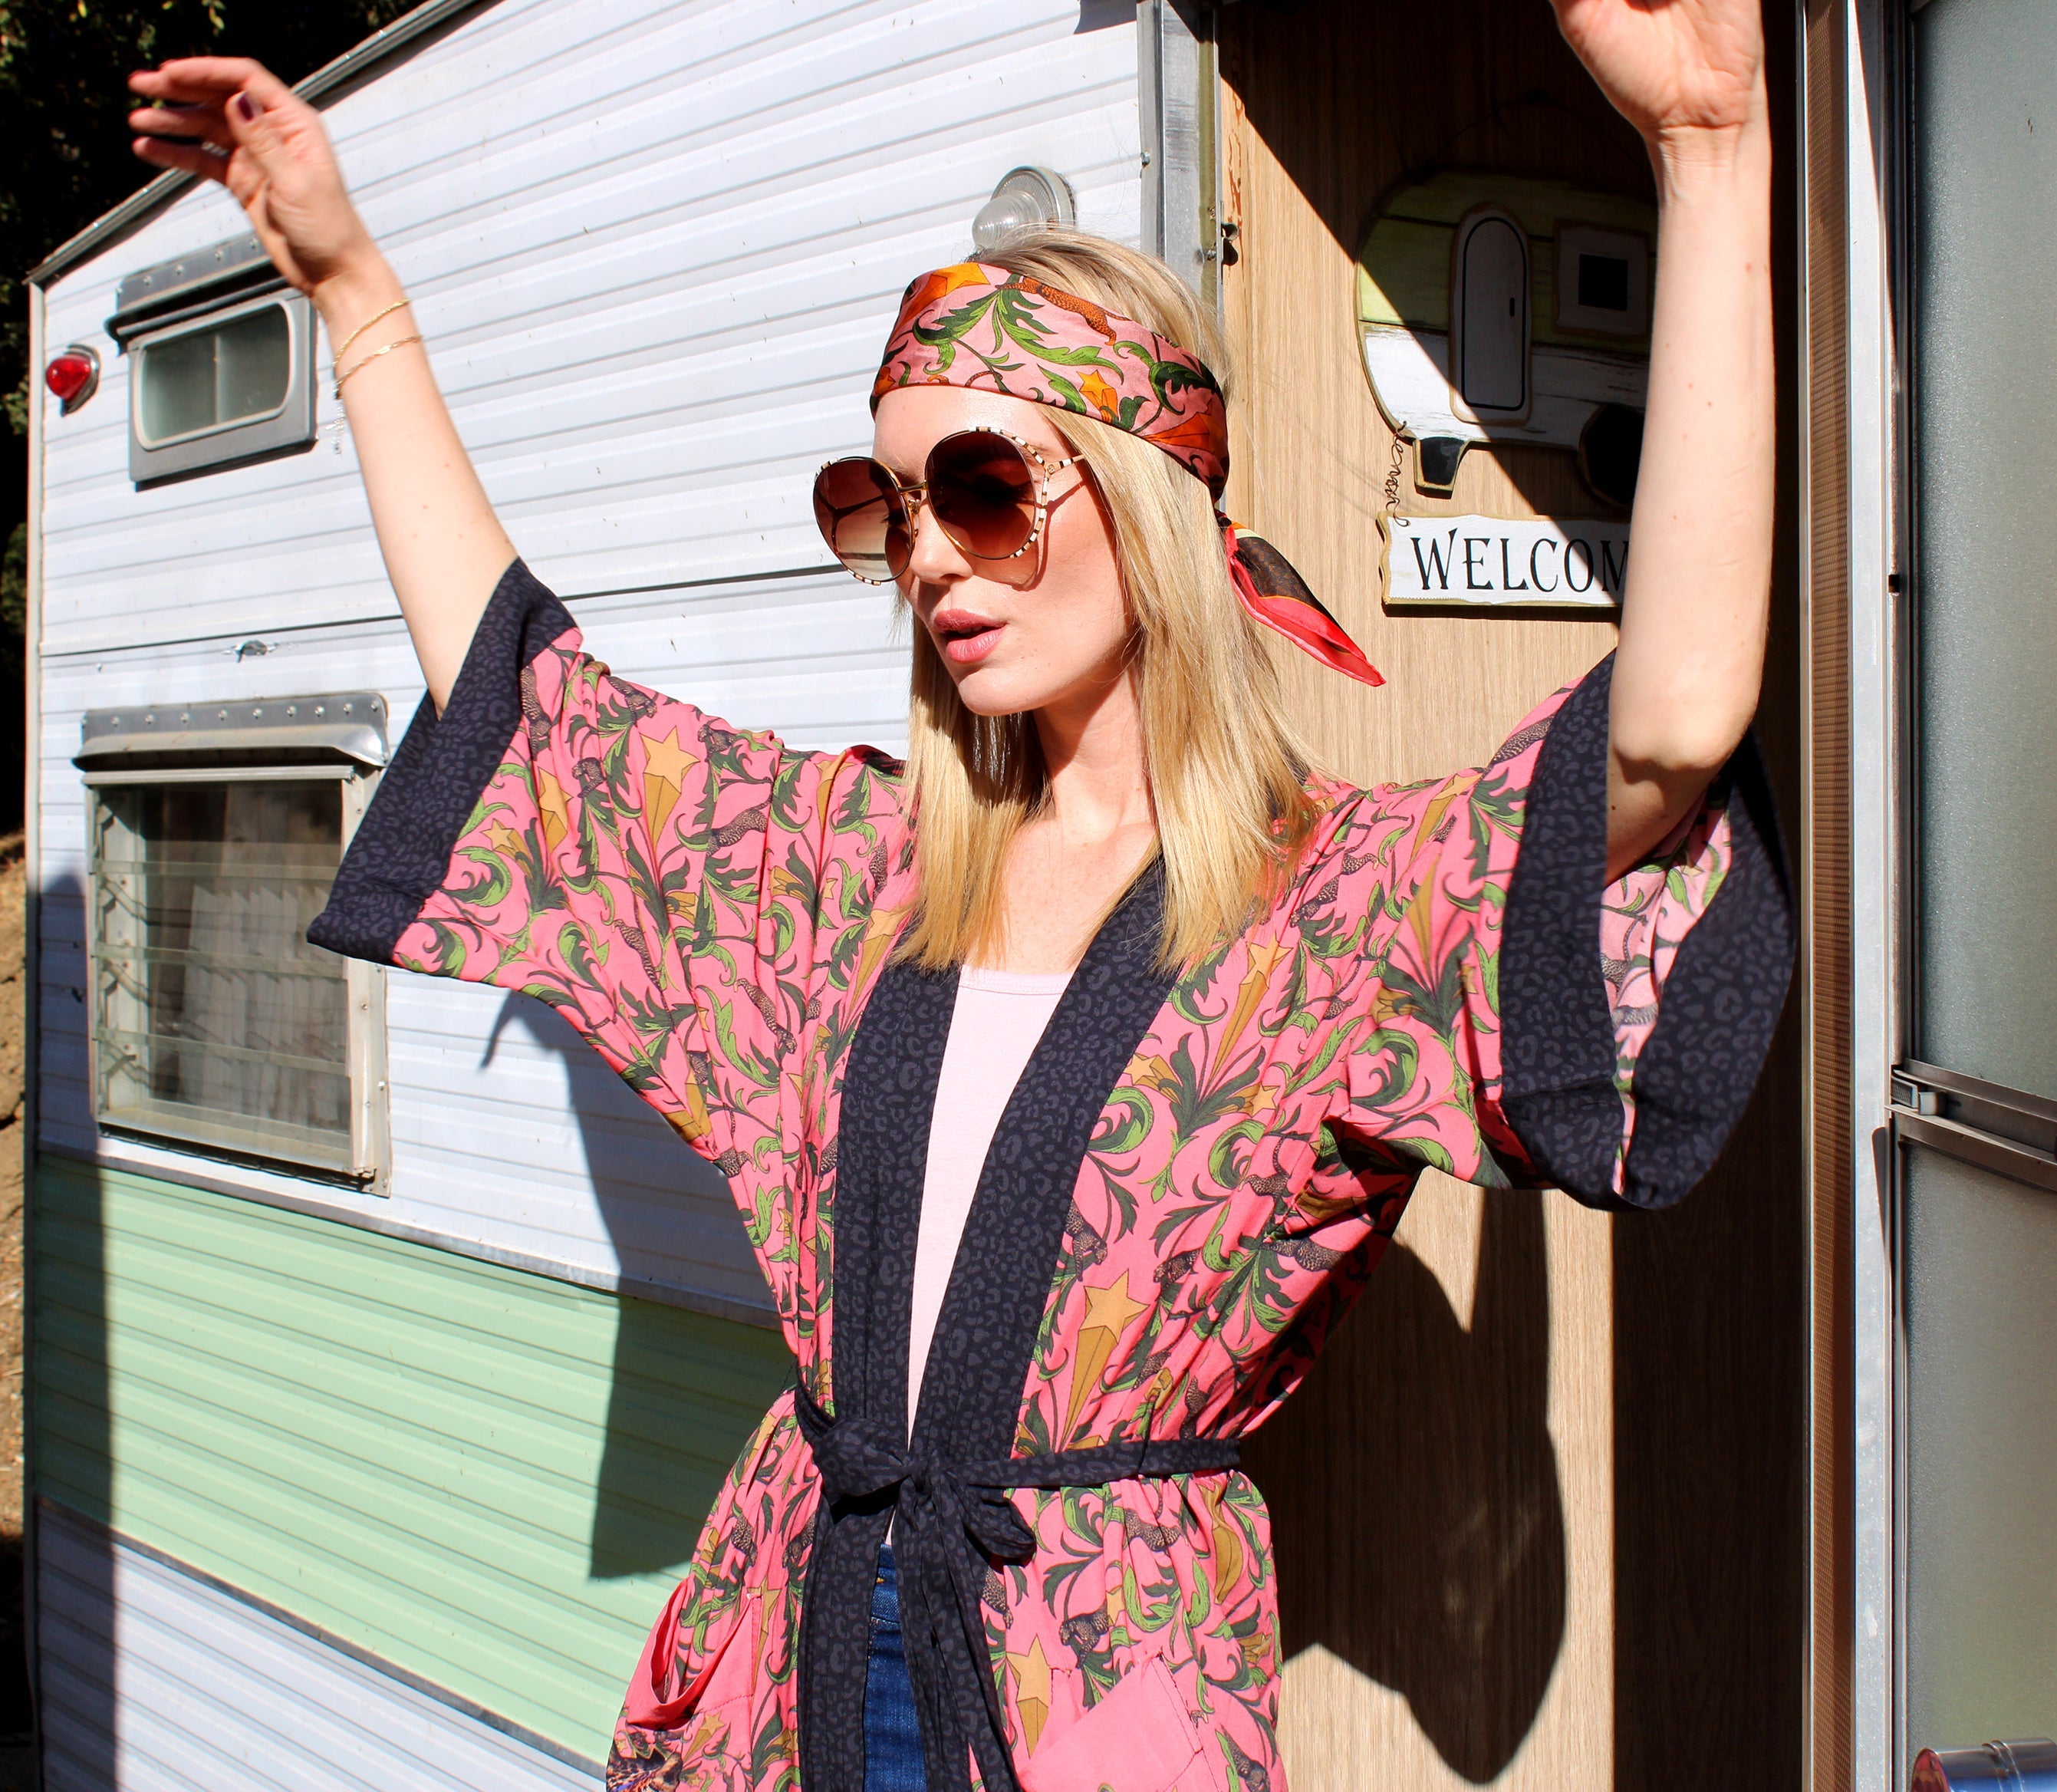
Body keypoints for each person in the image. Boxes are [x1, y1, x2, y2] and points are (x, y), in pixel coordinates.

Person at [128, 3, 1785, 1788]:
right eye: (892, 504)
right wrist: (357, 299)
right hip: (802, 1643)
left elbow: (1669, 727)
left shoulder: (1335, 911)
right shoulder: (848, 876)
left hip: (1091, 1696)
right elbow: (532, 712)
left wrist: (1710, 154)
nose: (929, 555)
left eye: (985, 488)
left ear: (1150, 495)